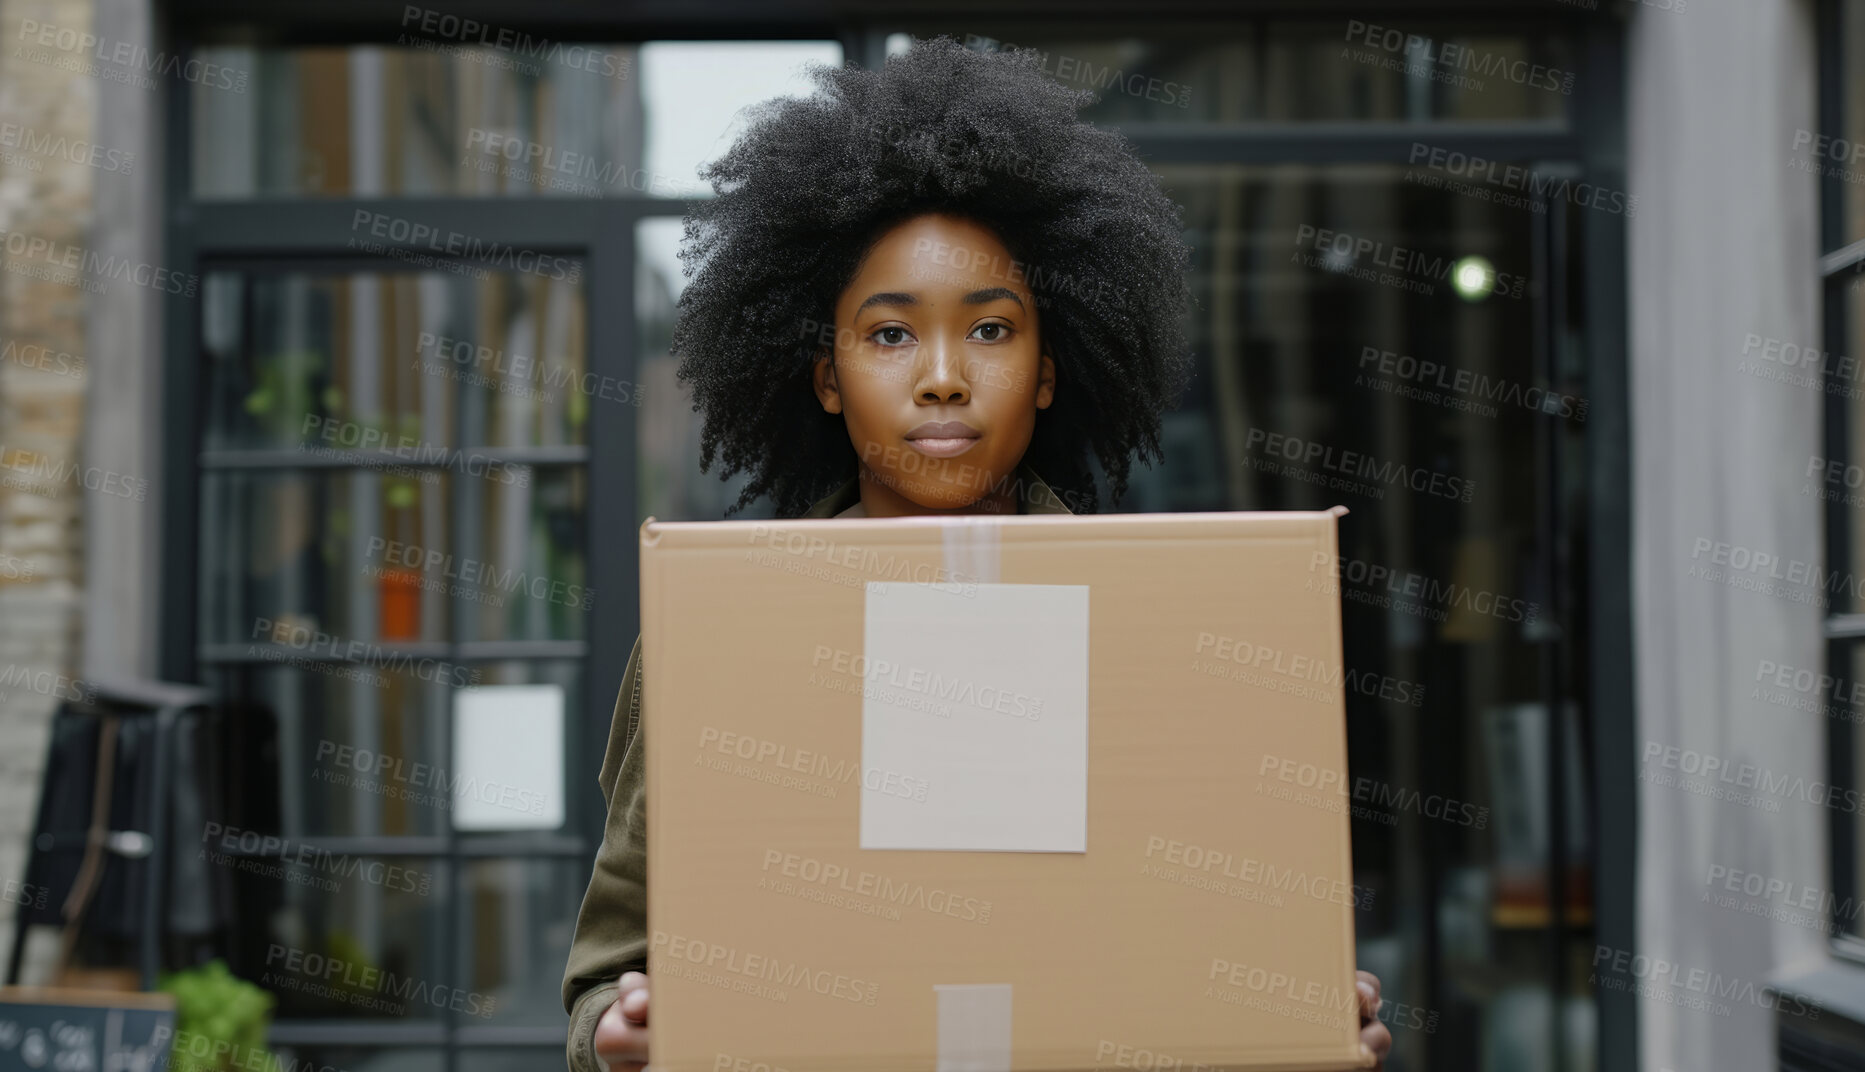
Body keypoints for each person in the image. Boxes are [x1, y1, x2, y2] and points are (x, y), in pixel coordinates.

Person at [561, 35, 1393, 1071]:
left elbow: (1212, 943)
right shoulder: (719, 641)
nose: (944, 378)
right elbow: (606, 967)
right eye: (890, 335)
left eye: (992, 332)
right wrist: (615, 1032)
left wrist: (1299, 1011)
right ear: (826, 376)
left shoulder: (1164, 627)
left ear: (1048, 369)